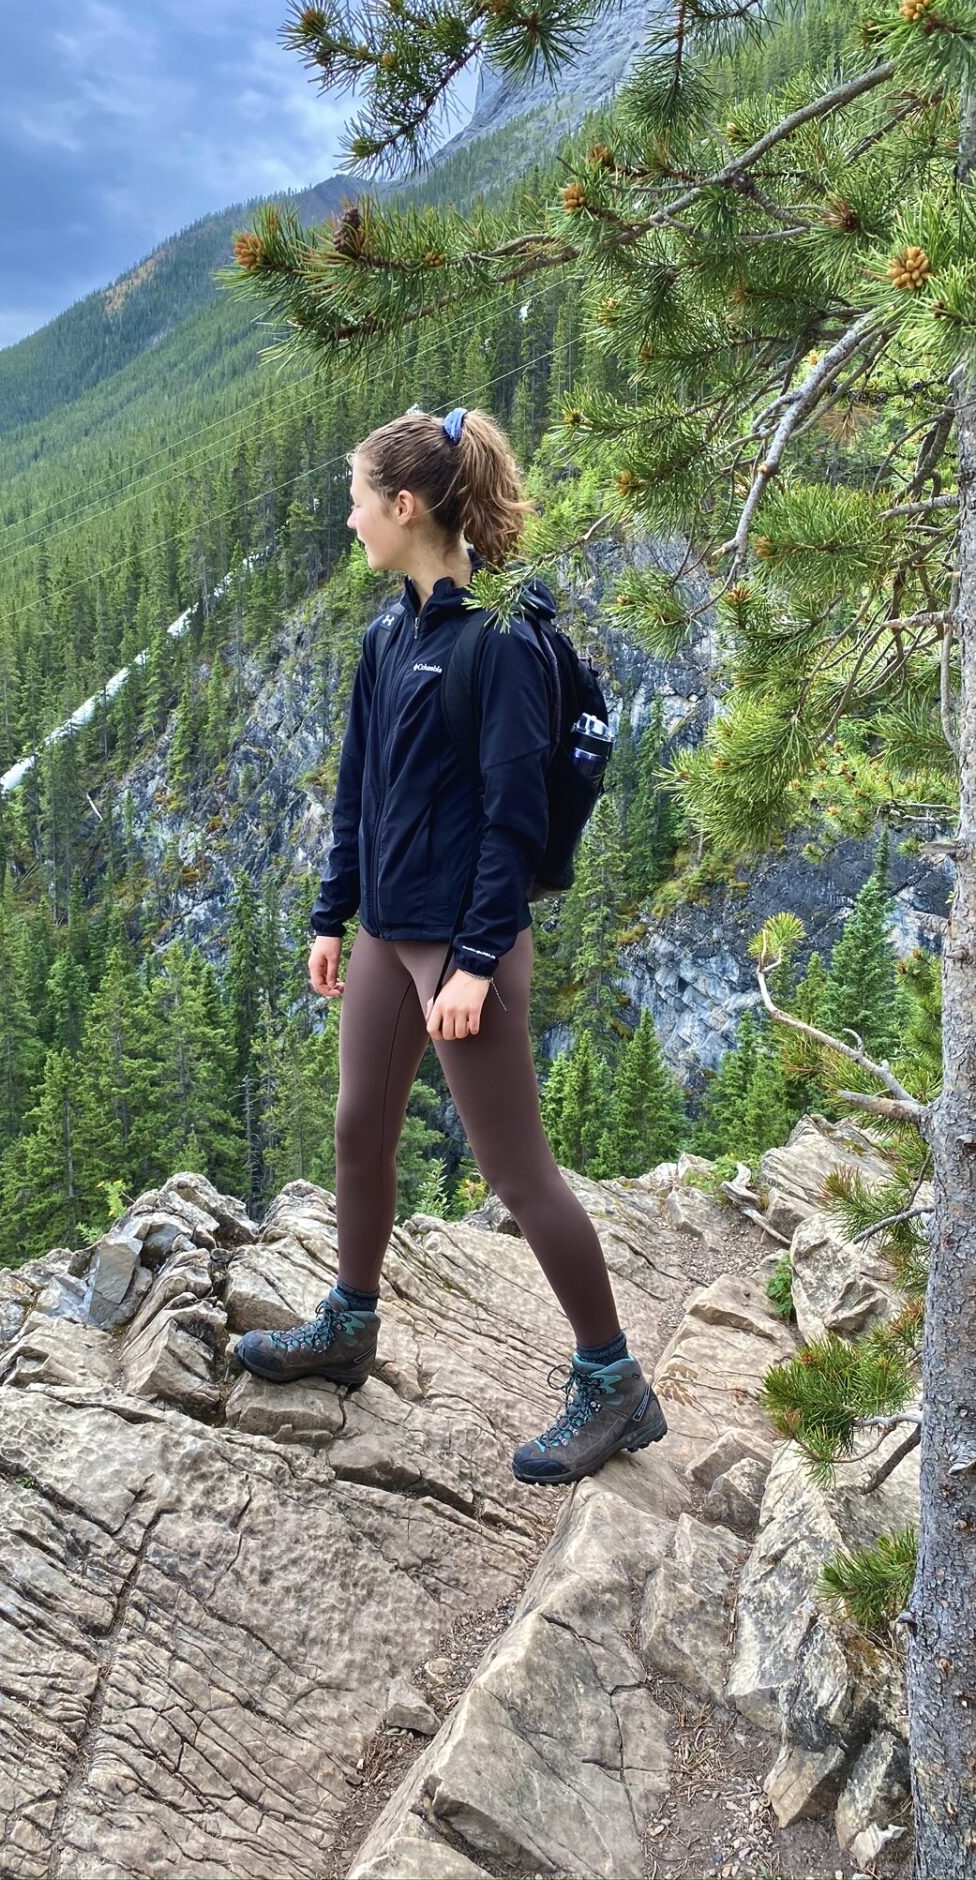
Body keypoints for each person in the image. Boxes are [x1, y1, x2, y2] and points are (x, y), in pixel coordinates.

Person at [232, 405, 665, 1484]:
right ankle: (349, 1323)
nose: (349, 519)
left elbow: (515, 814)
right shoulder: (390, 632)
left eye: (358, 500)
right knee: (357, 1131)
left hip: (465, 944)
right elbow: (358, 789)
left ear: (407, 505)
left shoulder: (504, 638)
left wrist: (474, 962)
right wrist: (334, 915)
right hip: (390, 929)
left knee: (519, 1175)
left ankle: (615, 1385)